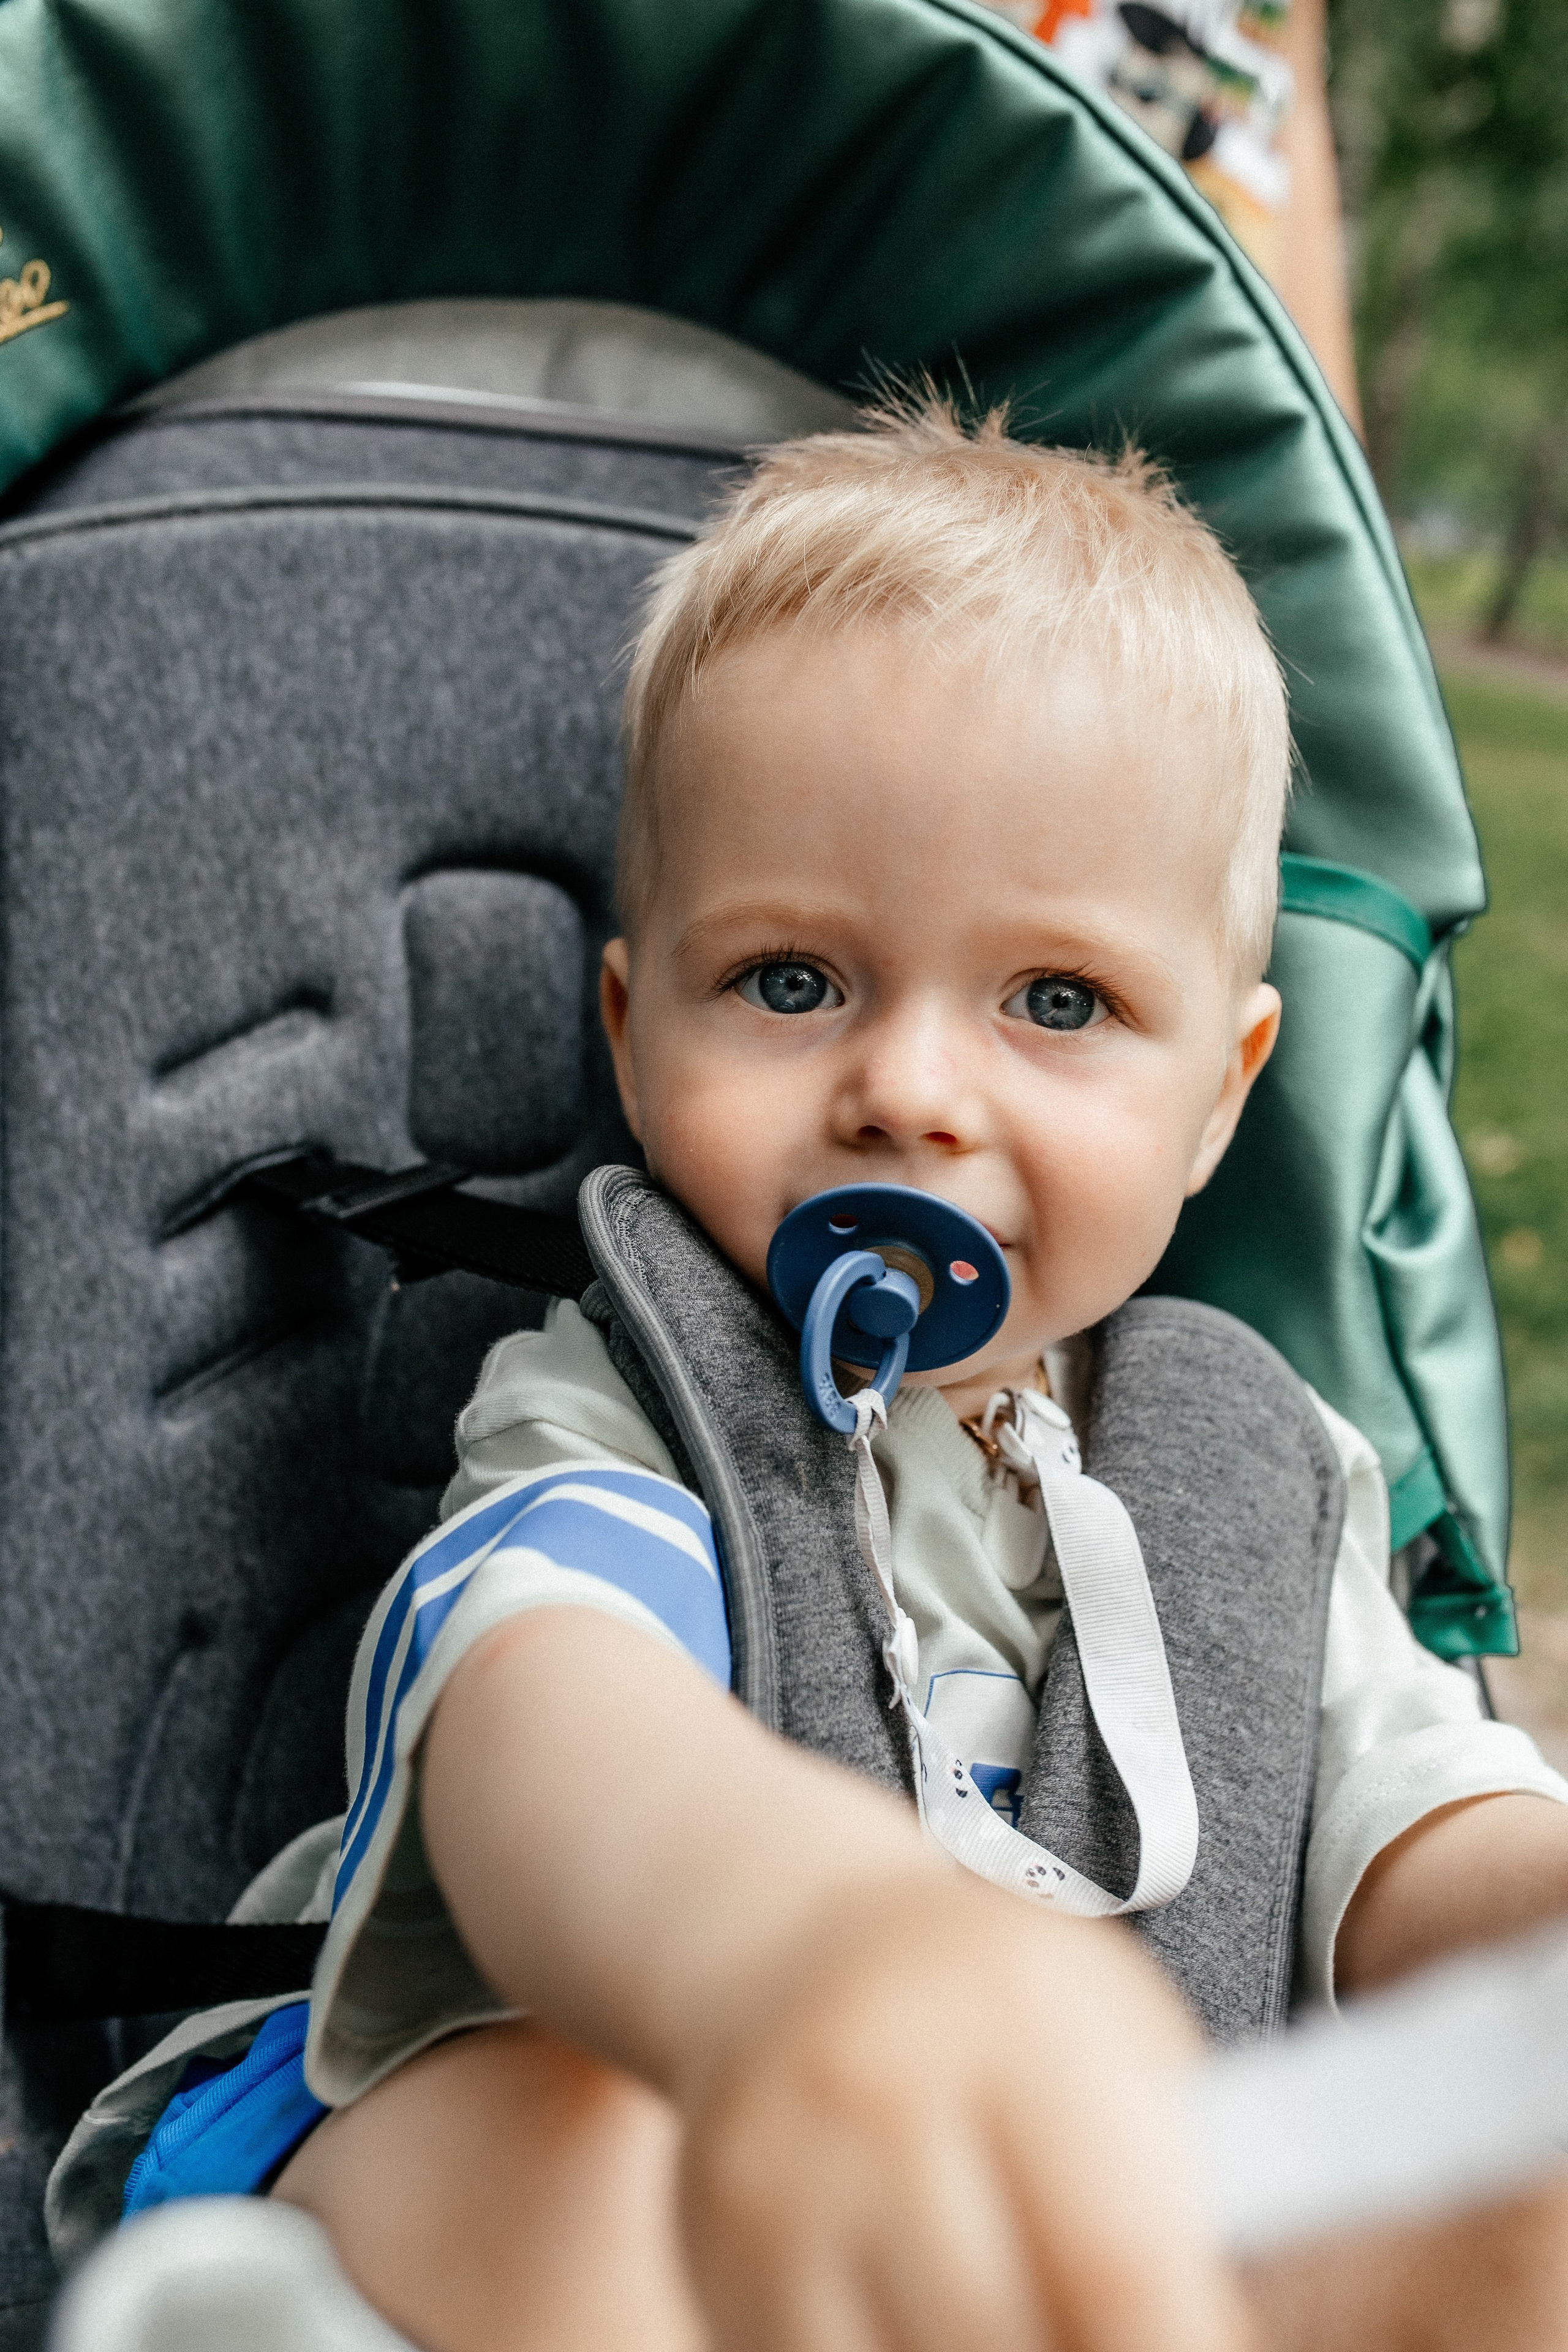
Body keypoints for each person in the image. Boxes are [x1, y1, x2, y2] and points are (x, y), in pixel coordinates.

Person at [53, 402, 1568, 2351]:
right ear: (632, 1020)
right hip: (639, 2085)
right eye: (792, 981)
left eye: (1058, 1001)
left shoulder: (1262, 1475)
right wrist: (796, 1945)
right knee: (579, 2147)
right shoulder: (619, 1401)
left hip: (1109, 2197)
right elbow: (547, 1715)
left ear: (1223, 1094)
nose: (912, 1091)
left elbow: (1425, 1818)